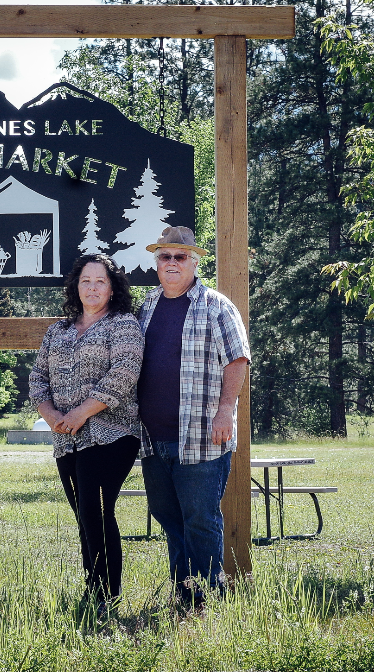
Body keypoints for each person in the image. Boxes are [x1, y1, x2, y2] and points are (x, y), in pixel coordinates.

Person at [136, 226, 250, 609]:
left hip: (202, 435)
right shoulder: (147, 306)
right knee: (168, 517)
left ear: (194, 262)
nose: (171, 263)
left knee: (200, 519)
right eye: (165, 256)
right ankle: (185, 593)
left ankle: (207, 596)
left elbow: (238, 360)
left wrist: (225, 411)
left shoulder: (216, 305)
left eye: (180, 257)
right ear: (156, 264)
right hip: (153, 438)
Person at [29, 254, 143, 607]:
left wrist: (80, 413)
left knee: (97, 509)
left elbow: (124, 374)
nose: (92, 288)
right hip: (66, 438)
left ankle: (107, 594)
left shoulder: (123, 324)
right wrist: (51, 416)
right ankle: (93, 587)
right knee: (83, 513)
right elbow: (38, 379)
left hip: (112, 433)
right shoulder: (57, 330)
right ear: (75, 287)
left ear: (112, 288)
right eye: (85, 281)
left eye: (100, 281)